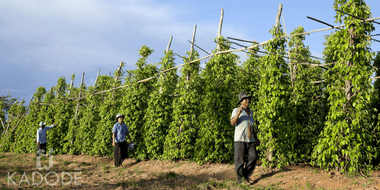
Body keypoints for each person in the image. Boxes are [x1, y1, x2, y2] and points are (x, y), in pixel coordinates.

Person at [230, 91, 260, 184]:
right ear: (240, 101)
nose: (247, 100)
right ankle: (240, 179)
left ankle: (246, 175)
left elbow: (251, 126)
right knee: (240, 159)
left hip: (250, 139)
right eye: (245, 99)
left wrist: (256, 137)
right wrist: (238, 113)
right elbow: (232, 122)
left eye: (248, 98)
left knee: (253, 157)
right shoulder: (236, 110)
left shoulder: (250, 111)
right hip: (240, 139)